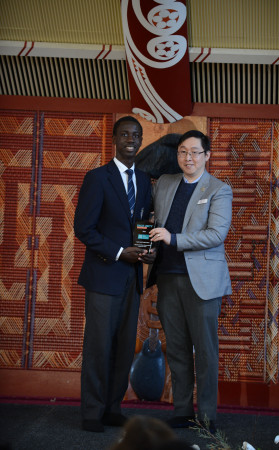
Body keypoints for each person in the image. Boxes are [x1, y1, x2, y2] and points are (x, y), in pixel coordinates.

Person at [74, 116, 155, 432]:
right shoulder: (97, 178)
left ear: (141, 138)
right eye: (124, 134)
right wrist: (121, 252)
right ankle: (92, 413)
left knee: (123, 348)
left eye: (136, 134)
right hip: (104, 276)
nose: (130, 139)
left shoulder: (145, 180)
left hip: (130, 278)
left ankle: (112, 407)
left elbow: (143, 224)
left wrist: (146, 250)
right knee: (98, 347)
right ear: (114, 138)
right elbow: (84, 229)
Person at [148, 129, 232, 432]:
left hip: (203, 282)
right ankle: (182, 411)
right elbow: (143, 167)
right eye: (183, 151)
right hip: (168, 278)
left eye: (196, 152)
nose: (189, 158)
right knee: (178, 348)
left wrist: (174, 238)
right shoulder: (167, 183)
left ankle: (207, 416)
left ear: (207, 156)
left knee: (206, 351)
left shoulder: (219, 189)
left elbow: (215, 235)